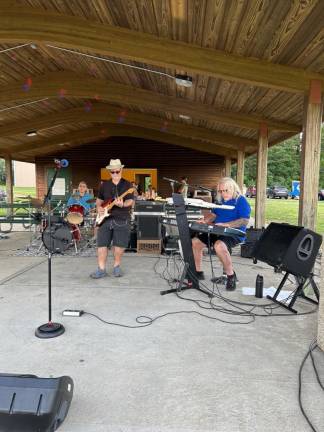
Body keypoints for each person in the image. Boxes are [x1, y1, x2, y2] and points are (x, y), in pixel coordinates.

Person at [192, 177, 251, 291]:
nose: (223, 193)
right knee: (195, 242)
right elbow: (213, 215)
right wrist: (205, 220)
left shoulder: (241, 200)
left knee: (219, 246)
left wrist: (227, 224)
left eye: (226, 190)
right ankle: (198, 272)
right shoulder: (220, 200)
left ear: (233, 188)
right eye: (221, 191)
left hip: (234, 232)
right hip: (217, 230)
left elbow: (244, 220)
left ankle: (231, 276)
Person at [90, 159, 134, 279]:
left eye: (117, 171)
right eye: (112, 172)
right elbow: (99, 200)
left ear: (121, 170)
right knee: (101, 244)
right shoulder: (105, 185)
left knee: (119, 245)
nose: (114, 173)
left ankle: (116, 266)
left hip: (121, 218)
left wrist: (123, 204)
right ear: (109, 171)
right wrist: (99, 207)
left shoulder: (128, 185)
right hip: (105, 219)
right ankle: (101, 269)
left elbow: (130, 201)